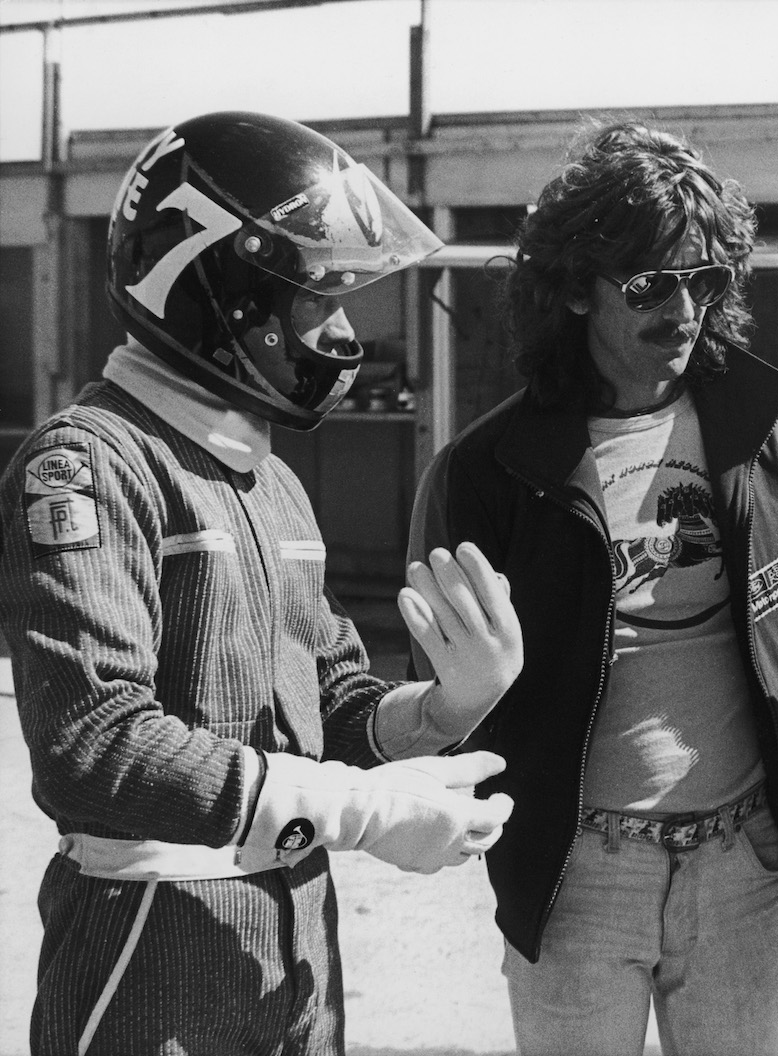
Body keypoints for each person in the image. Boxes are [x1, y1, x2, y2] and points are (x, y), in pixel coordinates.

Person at [0, 111, 523, 1056]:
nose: (341, 331)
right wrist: (358, 813)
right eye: (317, 297)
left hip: (293, 947)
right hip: (149, 944)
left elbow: (328, 701)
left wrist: (439, 710)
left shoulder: (269, 478)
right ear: (223, 291)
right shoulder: (89, 462)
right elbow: (92, 741)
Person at [406, 120, 778, 1055]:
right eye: (649, 284)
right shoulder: (488, 471)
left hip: (743, 864)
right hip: (577, 873)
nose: (683, 309)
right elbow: (443, 696)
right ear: (576, 291)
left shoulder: (767, 425)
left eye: (704, 281)